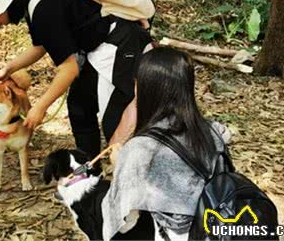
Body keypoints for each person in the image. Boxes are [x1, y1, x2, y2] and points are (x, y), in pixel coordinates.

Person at [0, 0, 151, 161]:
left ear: (3, 6)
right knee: (79, 107)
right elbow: (40, 46)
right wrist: (9, 69)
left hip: (118, 46)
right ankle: (89, 170)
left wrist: (40, 107)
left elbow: (69, 69)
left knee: (116, 120)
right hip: (95, 48)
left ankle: (132, 172)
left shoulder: (41, 10)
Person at [99, 47, 231, 240]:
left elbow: (124, 222)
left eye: (137, 83)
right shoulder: (213, 132)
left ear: (145, 89)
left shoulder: (140, 149)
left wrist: (120, 164)